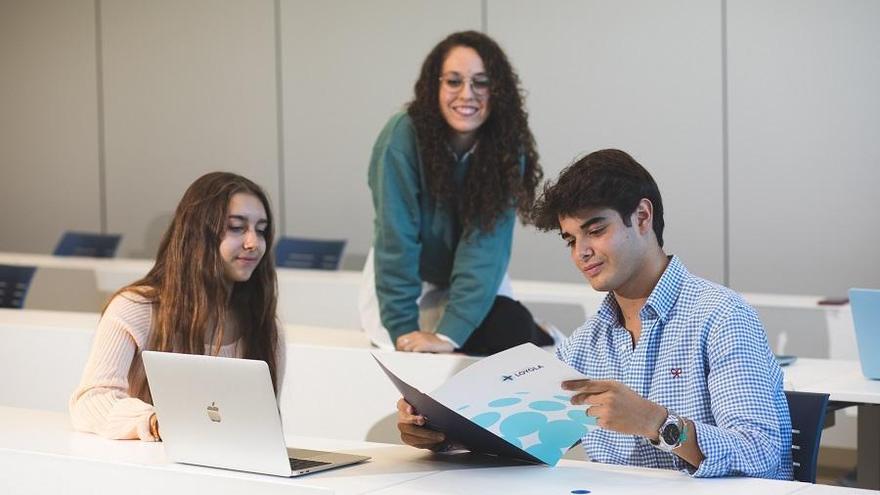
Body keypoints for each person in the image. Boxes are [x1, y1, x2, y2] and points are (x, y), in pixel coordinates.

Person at [396, 149, 793, 479]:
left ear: (642, 217)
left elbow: (761, 454)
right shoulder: (587, 343)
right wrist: (442, 434)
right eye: (571, 239)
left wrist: (655, 423)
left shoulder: (721, 317)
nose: (580, 252)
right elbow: (527, 438)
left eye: (595, 230)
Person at [359, 30, 555, 355]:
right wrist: (403, 329)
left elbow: (485, 247)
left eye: (481, 82)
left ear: (498, 91)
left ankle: (541, 332)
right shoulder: (401, 138)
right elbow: (397, 242)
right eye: (453, 81)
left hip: (469, 277)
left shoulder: (507, 146)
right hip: (410, 279)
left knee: (511, 328)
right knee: (413, 354)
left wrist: (448, 335)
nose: (467, 94)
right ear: (434, 86)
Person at [69, 172, 284, 441]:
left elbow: (263, 428)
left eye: (261, 230)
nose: (254, 243)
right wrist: (157, 422)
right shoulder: (135, 308)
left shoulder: (263, 324)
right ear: (198, 235)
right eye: (236, 227)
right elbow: (92, 400)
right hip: (150, 470)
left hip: (235, 471)